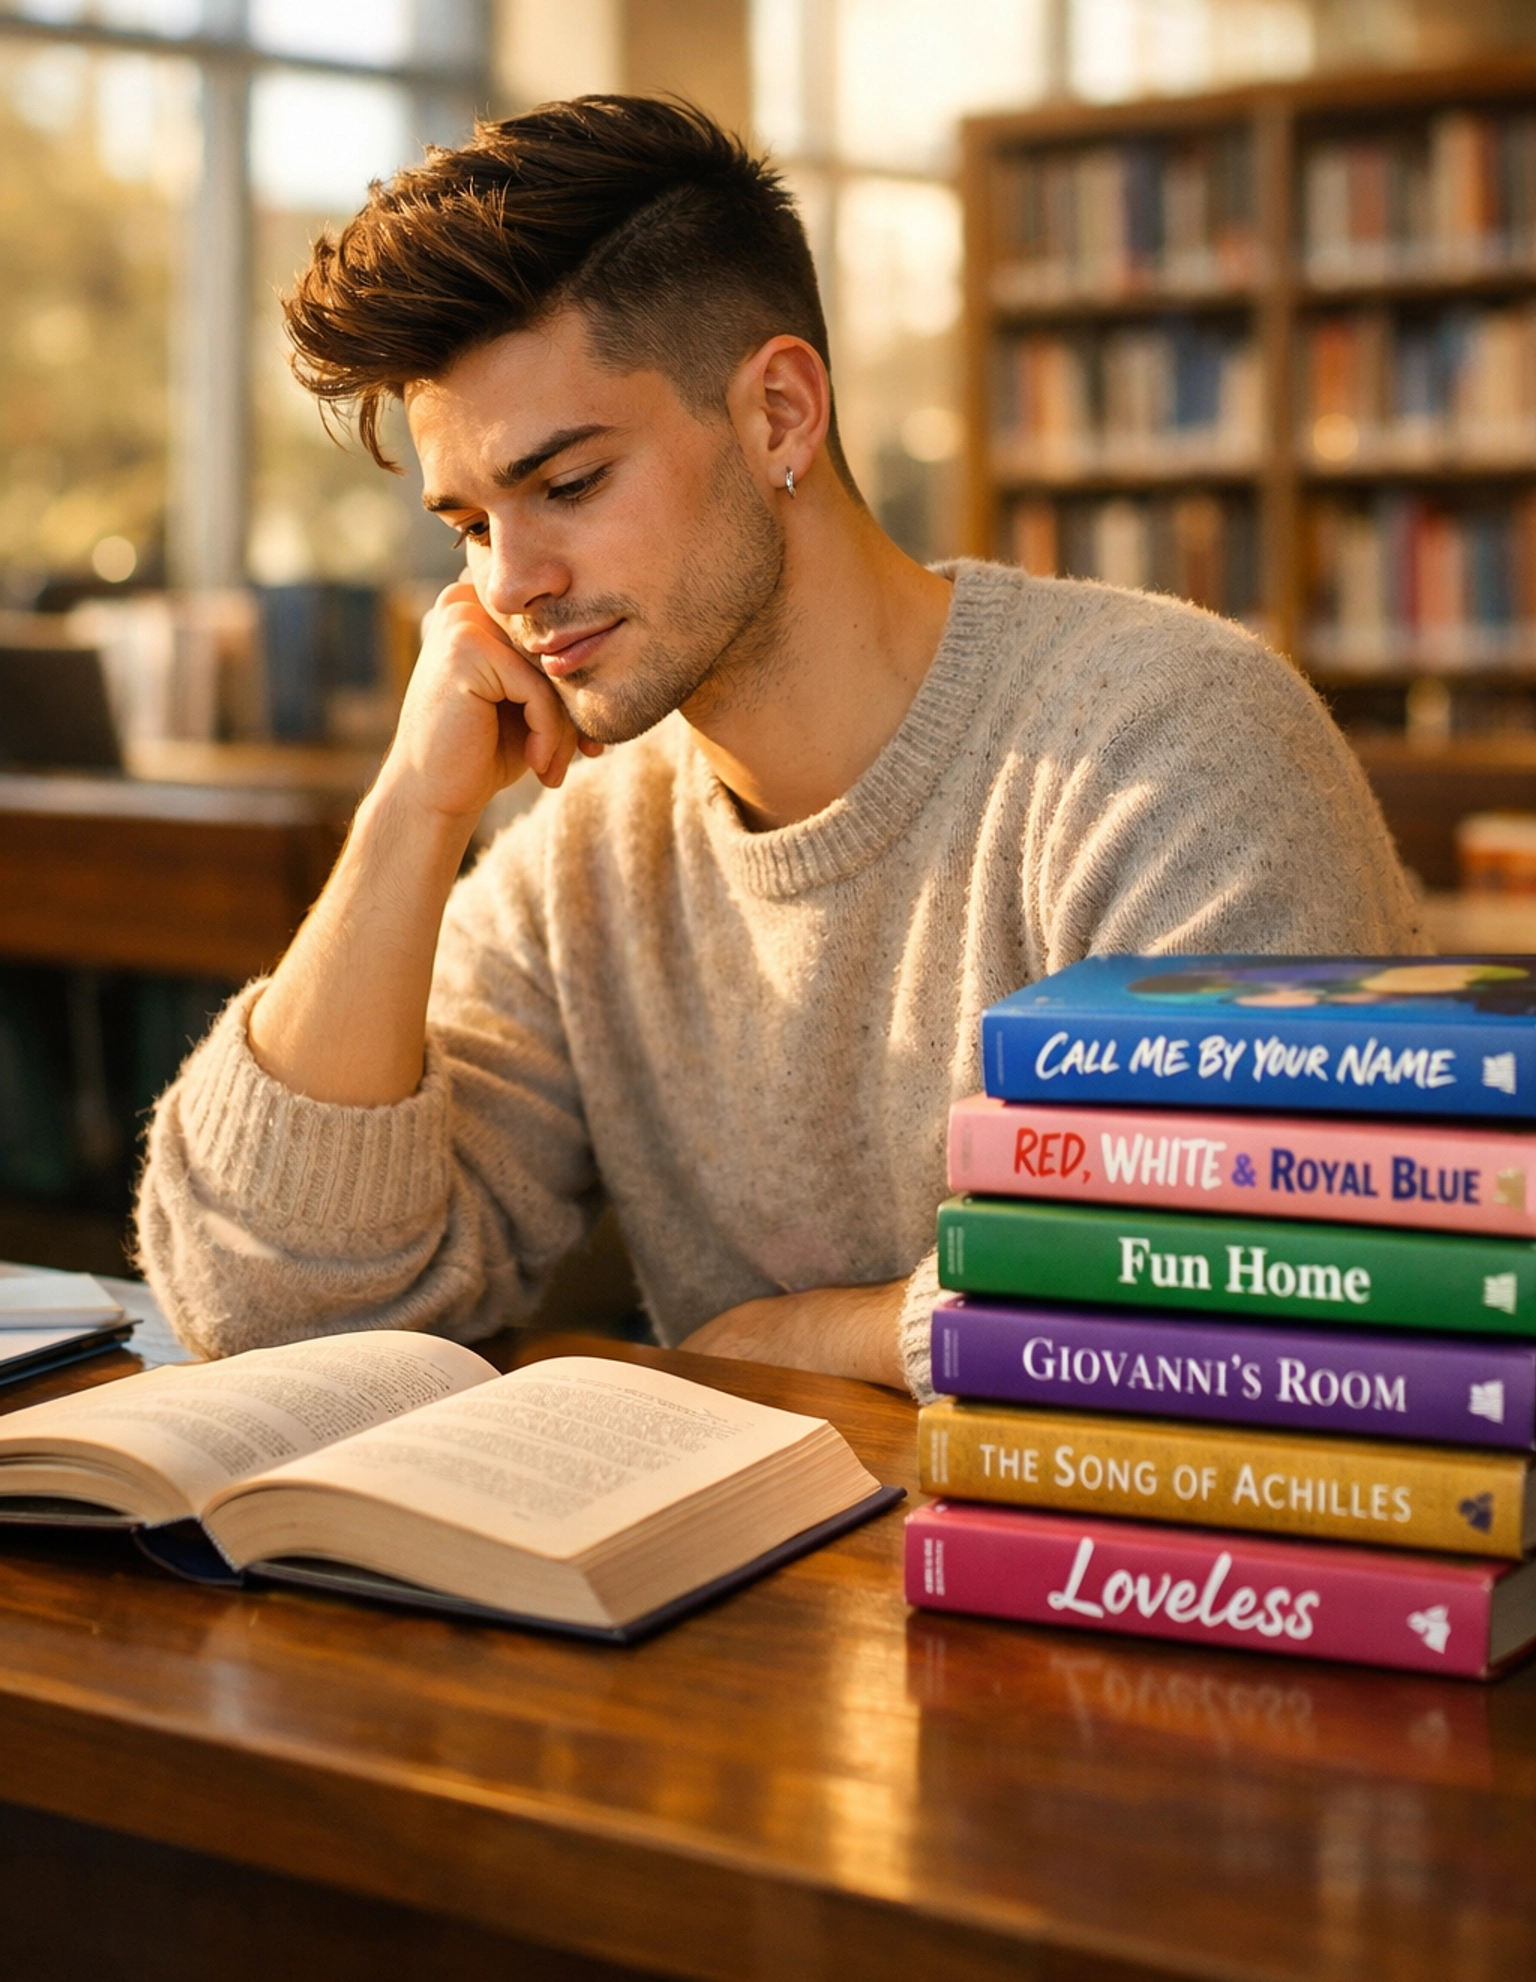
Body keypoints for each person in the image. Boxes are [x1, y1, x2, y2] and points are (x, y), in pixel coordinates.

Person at [134, 96, 1424, 1396]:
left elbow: (1259, 1299)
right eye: (469, 523)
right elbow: (264, 1306)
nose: (510, 583)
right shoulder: (586, 851)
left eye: (568, 486)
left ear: (781, 416)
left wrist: (810, 1339)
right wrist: (409, 812)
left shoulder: (1165, 744)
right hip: (775, 1595)